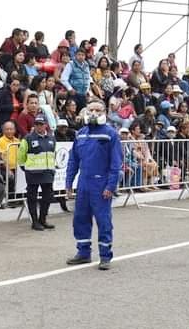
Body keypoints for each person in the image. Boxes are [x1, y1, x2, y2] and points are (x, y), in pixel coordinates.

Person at [65, 101, 122, 270]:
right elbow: (73, 160)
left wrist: (110, 186)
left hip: (101, 184)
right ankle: (83, 253)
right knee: (80, 219)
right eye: (91, 110)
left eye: (98, 110)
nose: (94, 113)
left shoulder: (110, 134)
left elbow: (116, 164)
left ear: (104, 112)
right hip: (84, 184)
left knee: (103, 221)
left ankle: (105, 256)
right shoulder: (81, 134)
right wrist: (69, 183)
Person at [18, 114, 56, 231]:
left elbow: (53, 154)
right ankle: (34, 222)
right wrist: (26, 168)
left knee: (48, 198)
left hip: (47, 173)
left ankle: (42, 219)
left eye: (42, 124)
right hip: (33, 173)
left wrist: (52, 168)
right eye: (37, 124)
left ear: (46, 125)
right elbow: (21, 155)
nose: (39, 127)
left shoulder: (51, 138)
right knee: (32, 198)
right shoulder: (28, 138)